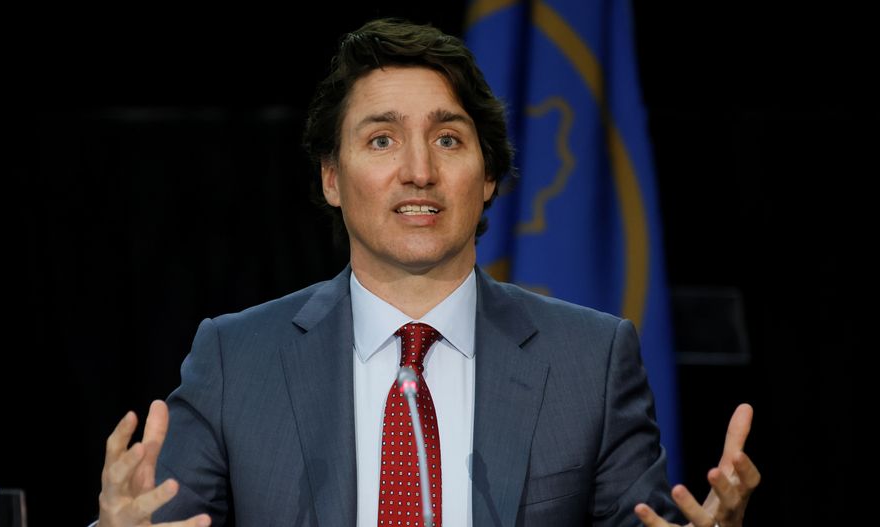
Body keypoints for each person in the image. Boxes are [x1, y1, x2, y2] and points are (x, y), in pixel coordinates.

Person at [96, 18, 759, 527]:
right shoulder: (236, 360)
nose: (419, 169)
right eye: (381, 138)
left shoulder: (591, 359)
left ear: (490, 175)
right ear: (331, 177)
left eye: (448, 138)